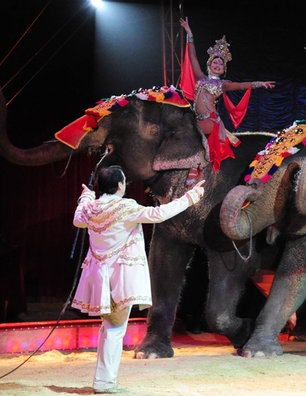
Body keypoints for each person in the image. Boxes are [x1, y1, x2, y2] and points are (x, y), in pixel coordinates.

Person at [70, 165, 205, 394]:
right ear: (120, 185)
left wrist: (85, 197)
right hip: (120, 277)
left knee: (109, 327)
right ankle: (104, 382)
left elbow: (77, 220)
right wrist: (190, 197)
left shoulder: (90, 208)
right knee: (114, 329)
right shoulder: (126, 207)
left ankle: (103, 381)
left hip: (101, 278)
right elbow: (158, 214)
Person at [179, 17, 276, 171]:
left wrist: (259, 83)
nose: (218, 65)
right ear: (209, 64)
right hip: (196, 118)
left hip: (210, 121)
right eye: (215, 62)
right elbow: (193, 57)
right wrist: (189, 34)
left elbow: (241, 85)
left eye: (221, 64)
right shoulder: (200, 77)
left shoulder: (223, 84)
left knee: (186, 134)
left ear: (224, 69)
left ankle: (194, 166)